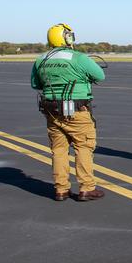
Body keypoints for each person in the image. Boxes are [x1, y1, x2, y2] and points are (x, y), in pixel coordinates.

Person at [31, 23, 106, 201]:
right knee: (83, 147)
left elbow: (35, 84)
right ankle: (87, 188)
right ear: (66, 37)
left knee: (58, 149)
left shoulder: (41, 59)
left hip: (52, 111)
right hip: (77, 110)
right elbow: (100, 76)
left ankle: (61, 189)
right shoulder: (78, 58)